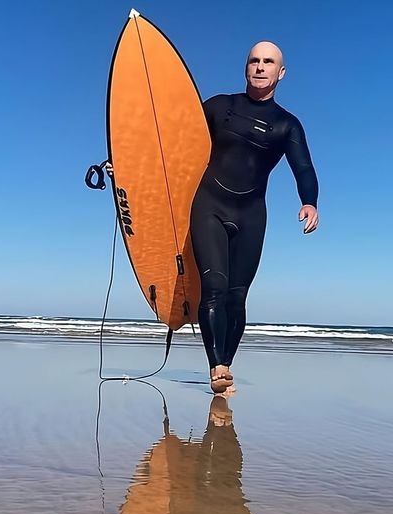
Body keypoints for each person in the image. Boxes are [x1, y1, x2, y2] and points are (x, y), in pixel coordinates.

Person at [107, 41, 319, 394]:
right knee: (215, 287)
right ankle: (216, 366)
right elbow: (173, 144)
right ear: (245, 67)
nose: (260, 66)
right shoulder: (220, 107)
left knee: (237, 297)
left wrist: (309, 201)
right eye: (254, 60)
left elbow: (304, 168)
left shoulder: (287, 125)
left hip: (251, 214)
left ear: (281, 73)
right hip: (210, 206)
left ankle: (227, 363)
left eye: (269, 62)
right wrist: (128, 165)